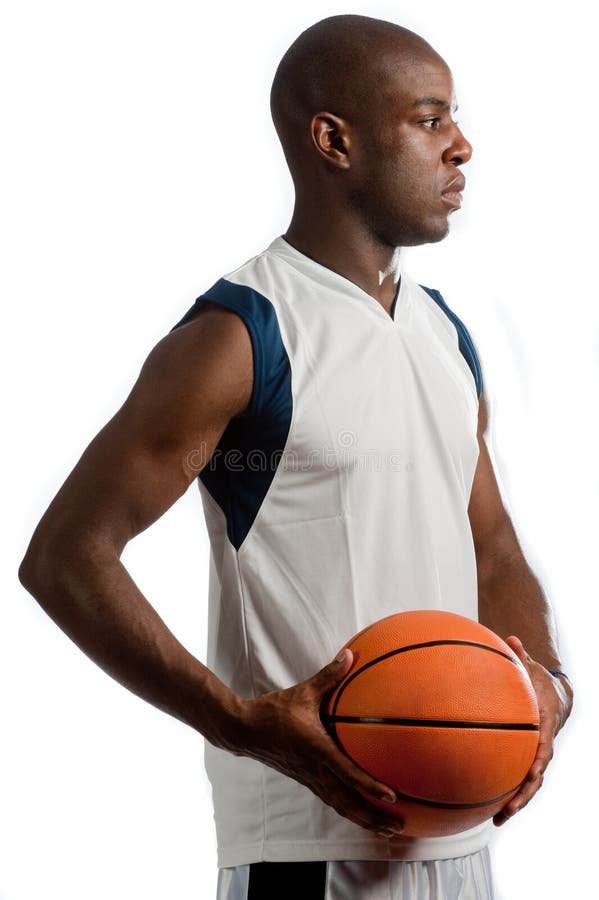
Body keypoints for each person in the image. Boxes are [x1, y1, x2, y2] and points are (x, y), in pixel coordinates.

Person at [19, 13, 573, 900]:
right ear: (334, 141)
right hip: (307, 853)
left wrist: (543, 687)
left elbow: (494, 544)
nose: (461, 146)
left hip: (463, 843)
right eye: (430, 120)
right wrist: (240, 724)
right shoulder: (241, 336)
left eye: (453, 119)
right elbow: (64, 558)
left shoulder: (443, 335)